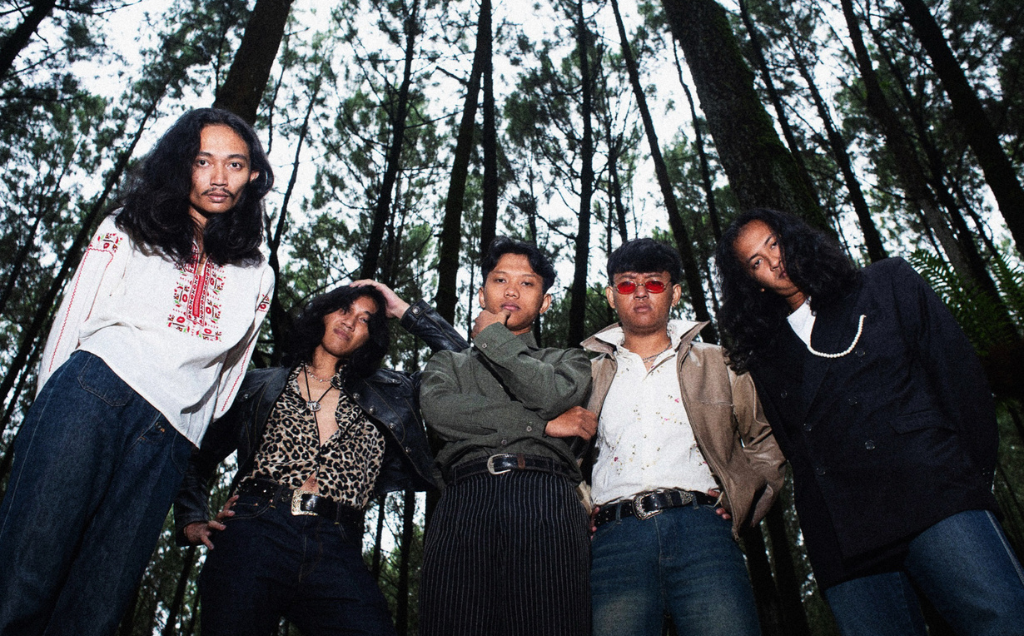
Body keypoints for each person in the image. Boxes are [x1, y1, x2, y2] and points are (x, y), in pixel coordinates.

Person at [0, 108, 276, 636]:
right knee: (24, 571)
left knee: (98, 603)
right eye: (203, 161)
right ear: (181, 165)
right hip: (91, 394)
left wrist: (190, 437)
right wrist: (46, 415)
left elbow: (232, 370)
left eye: (235, 164)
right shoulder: (129, 224)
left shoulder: (257, 271)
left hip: (169, 436)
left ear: (254, 175)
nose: (219, 177)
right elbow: (75, 314)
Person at [715, 207, 1024, 636]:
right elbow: (792, 446)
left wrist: (967, 480)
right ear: (753, 283)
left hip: (934, 494)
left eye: (774, 243)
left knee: (1003, 620)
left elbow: (960, 379)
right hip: (841, 534)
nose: (774, 261)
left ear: (794, 236)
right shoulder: (765, 354)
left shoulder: (884, 284)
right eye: (756, 262)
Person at [173, 281, 468, 636]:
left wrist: (402, 308)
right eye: (344, 309)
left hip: (337, 542)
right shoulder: (258, 384)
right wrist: (191, 520)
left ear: (370, 336)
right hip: (255, 530)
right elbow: (195, 457)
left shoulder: (393, 392)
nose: (351, 321)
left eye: (365, 319)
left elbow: (465, 364)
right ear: (323, 313)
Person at [581, 238, 784, 636]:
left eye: (654, 283)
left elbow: (765, 439)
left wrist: (743, 500)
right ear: (611, 295)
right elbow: (561, 457)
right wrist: (580, 507)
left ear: (674, 293)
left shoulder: (720, 363)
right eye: (627, 284)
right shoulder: (585, 373)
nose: (641, 292)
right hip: (614, 540)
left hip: (703, 532)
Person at [417, 237, 596, 636]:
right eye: (500, 280)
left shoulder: (567, 360)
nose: (512, 291)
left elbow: (551, 395)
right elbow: (440, 413)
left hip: (547, 498)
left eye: (527, 283)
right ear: (482, 293)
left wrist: (492, 339)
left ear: (545, 303)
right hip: (464, 499)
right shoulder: (448, 362)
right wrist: (541, 426)